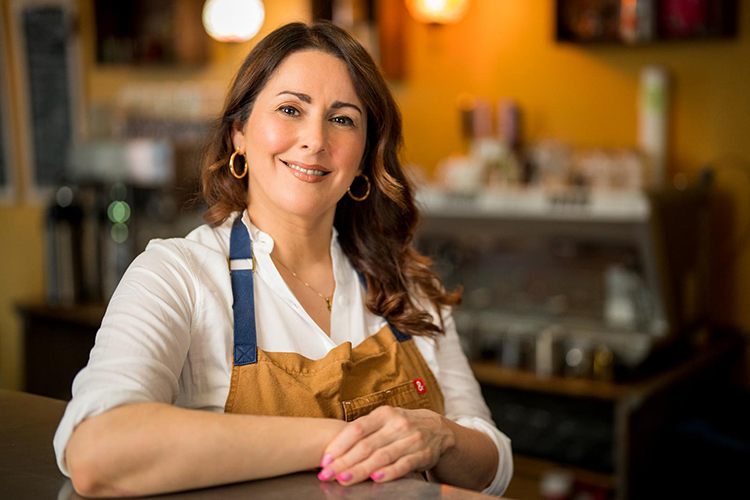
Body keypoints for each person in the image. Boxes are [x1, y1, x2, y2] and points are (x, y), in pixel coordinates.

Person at [53, 21, 512, 498]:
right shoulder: (176, 276)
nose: (315, 140)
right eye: (290, 109)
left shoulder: (407, 285)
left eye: (342, 119)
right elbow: (98, 450)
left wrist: (442, 438)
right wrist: (344, 439)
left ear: (363, 156)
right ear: (240, 135)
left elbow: (494, 467)